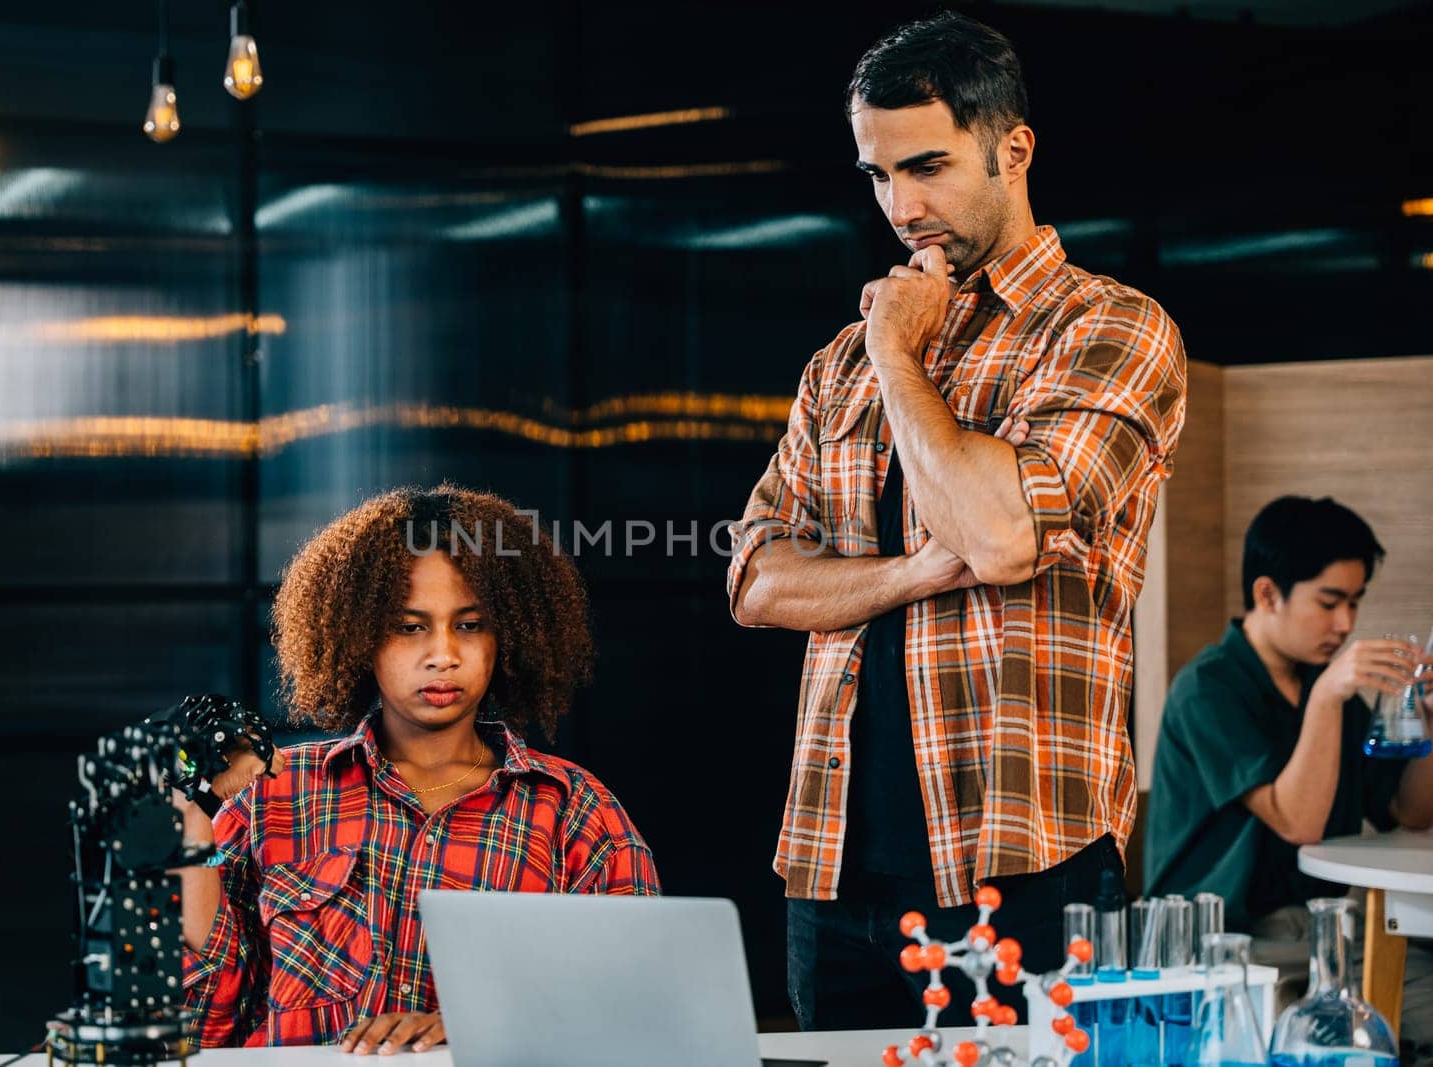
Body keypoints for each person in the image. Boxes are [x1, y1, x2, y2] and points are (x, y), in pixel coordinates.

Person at [726, 12, 1187, 1030]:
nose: (902, 206)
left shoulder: (1110, 327)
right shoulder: (832, 364)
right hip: (831, 868)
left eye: (926, 167)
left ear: (1011, 149)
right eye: (878, 175)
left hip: (1024, 862)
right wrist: (916, 572)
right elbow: (757, 583)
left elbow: (999, 533)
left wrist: (898, 351)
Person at [175, 486, 660, 1053]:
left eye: (471, 624)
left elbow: (640, 1009)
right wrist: (193, 812)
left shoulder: (574, 809)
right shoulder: (274, 793)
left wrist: (480, 1026)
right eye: (410, 627)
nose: (443, 654)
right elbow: (202, 1020)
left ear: (512, 635)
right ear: (358, 638)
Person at [1145, 495, 1433, 1059]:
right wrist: (1328, 693)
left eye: (1354, 602)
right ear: (1267, 593)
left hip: (1330, 933)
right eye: (1329, 602)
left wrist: (1428, 722)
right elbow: (1297, 819)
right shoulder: (1210, 687)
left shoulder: (1331, 692)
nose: (1346, 624)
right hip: (1228, 944)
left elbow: (1411, 813)